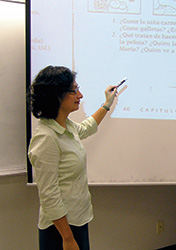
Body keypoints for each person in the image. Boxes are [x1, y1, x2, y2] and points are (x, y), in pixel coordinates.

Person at [27, 65, 120, 250]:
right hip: (60, 231)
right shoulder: (46, 138)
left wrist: (107, 104)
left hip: (77, 220)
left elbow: (87, 127)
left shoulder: (65, 125)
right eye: (74, 90)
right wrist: (68, 239)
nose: (80, 95)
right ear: (56, 96)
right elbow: (48, 195)